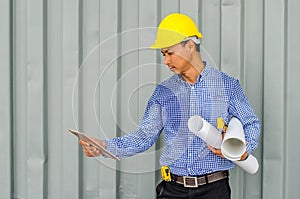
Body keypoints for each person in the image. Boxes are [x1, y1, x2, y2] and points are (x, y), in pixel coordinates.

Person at [79, 13, 260, 198]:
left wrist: (240, 148)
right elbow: (144, 136)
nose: (166, 61)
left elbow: (250, 123)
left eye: (170, 53)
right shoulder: (163, 93)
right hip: (172, 190)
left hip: (213, 190)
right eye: (163, 54)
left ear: (190, 46)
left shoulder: (227, 85)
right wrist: (104, 146)